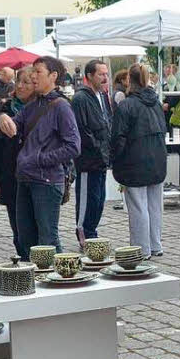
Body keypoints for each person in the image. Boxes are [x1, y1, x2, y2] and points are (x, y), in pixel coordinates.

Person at [0, 56, 80, 252]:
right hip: (25, 178)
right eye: (32, 71)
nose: (33, 76)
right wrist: (2, 118)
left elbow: (74, 146)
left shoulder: (61, 106)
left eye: (38, 72)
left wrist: (40, 159)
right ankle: (32, 279)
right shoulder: (32, 106)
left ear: (53, 76)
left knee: (48, 240)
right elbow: (11, 128)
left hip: (47, 181)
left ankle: (60, 278)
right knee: (26, 239)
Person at [110, 63, 166, 258]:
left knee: (138, 206)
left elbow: (118, 137)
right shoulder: (157, 103)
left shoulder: (126, 105)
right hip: (157, 158)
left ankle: (142, 249)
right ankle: (155, 244)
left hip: (134, 161)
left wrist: (115, 159)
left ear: (129, 81)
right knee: (154, 205)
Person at [0, 67, 35, 258]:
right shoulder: (5, 110)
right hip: (11, 175)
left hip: (36, 177)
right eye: (18, 81)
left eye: (26, 82)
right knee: (18, 228)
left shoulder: (43, 108)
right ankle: (23, 261)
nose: (20, 86)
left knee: (38, 227)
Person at [71, 59, 111, 246]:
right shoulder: (80, 98)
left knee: (99, 200)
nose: (105, 78)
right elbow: (81, 130)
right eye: (101, 74)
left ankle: (92, 230)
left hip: (102, 159)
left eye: (106, 74)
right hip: (88, 159)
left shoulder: (102, 96)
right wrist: (97, 149)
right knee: (88, 199)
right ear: (89, 76)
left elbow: (107, 124)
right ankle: (84, 233)